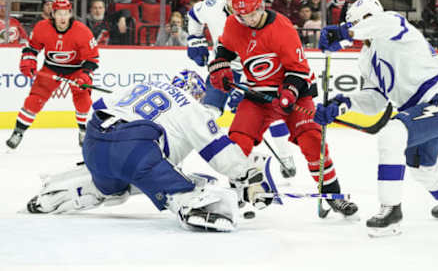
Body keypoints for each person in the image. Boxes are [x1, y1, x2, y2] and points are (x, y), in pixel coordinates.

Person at [26, 71, 277, 232]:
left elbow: (98, 105)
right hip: (135, 148)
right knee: (187, 188)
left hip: (94, 142)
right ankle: (189, 204)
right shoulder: (191, 107)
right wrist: (246, 175)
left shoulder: (145, 84)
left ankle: (59, 191)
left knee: (116, 189)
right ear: (196, 93)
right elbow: (217, 149)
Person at [316, 0, 438, 237]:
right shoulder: (366, 59)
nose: (366, 26)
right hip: (418, 109)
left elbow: (381, 23)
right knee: (422, 167)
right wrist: (343, 104)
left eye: (366, 20)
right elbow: (375, 100)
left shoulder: (394, 25)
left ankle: (391, 212)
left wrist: (344, 32)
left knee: (391, 133)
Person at [208, 0, 358, 216]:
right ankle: (236, 194)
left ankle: (333, 195)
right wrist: (220, 67)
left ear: (261, 7)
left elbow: (298, 70)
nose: (246, 20)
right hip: (258, 94)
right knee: (238, 141)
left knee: (312, 140)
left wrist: (288, 93)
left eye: (251, 14)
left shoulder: (282, 27)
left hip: (295, 92)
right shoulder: (234, 23)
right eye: (241, 15)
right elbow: (224, 49)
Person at [187, 0, 297, 178]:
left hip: (252, 73)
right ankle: (214, 158)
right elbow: (194, 14)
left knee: (268, 113)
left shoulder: (257, 17)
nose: (233, 4)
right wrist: (195, 39)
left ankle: (286, 156)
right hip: (222, 69)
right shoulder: (212, 6)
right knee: (207, 113)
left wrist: (245, 89)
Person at [6, 0, 99, 149]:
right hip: (51, 68)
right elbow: (32, 48)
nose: (62, 17)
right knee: (34, 100)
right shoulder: (42, 27)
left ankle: (83, 131)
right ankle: (18, 132)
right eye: (59, 13)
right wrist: (28, 61)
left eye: (66, 13)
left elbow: (92, 58)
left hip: (76, 69)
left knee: (83, 101)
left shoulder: (82, 31)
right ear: (53, 14)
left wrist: (85, 75)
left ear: (70, 14)